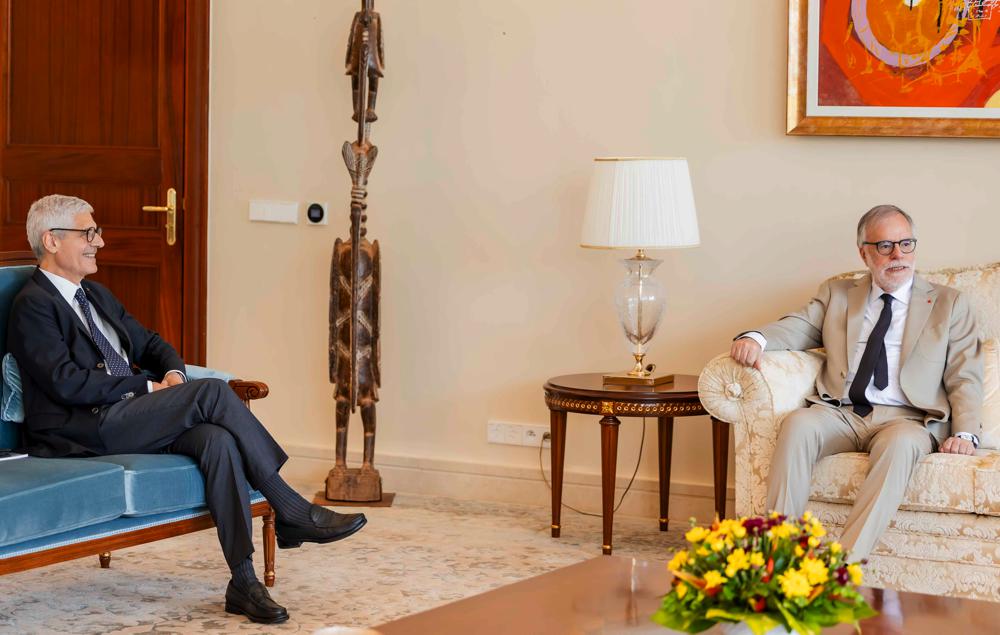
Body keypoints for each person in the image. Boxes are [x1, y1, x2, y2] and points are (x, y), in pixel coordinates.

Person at [8, 194, 366, 624]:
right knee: (211, 393)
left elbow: (151, 344)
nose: (98, 242)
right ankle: (289, 507)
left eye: (96, 232)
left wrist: (173, 375)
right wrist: (146, 386)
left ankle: (243, 581)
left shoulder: (95, 295)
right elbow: (65, 382)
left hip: (125, 416)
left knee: (216, 440)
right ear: (51, 240)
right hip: (81, 428)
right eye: (88, 233)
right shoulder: (34, 305)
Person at [729, 204, 982, 562]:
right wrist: (756, 338)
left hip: (907, 419)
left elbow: (964, 373)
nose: (898, 255)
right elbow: (800, 326)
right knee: (798, 424)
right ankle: (778, 558)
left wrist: (966, 433)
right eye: (885, 246)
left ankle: (842, 566)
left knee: (901, 446)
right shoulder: (838, 293)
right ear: (864, 253)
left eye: (906, 244)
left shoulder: (949, 303)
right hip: (841, 411)